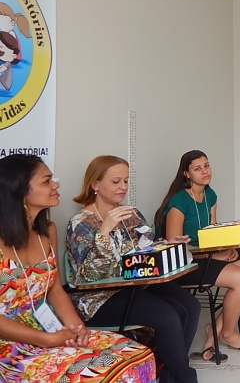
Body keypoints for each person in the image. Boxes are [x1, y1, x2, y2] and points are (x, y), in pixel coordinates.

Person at [0, 154, 157, 383]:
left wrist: (77, 328)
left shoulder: (47, 231)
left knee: (138, 355)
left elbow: (54, 290)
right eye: (46, 181)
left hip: (48, 328)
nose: (56, 185)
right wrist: (47, 340)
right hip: (9, 345)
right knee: (99, 374)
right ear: (19, 191)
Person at [65, 155, 201, 383]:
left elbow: (145, 249)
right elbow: (89, 275)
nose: (123, 187)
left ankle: (169, 373)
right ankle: (185, 378)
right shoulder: (81, 223)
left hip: (136, 283)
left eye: (126, 181)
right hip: (99, 297)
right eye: (116, 181)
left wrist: (167, 244)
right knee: (167, 316)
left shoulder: (131, 214)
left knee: (190, 306)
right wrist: (104, 231)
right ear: (95, 184)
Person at [154, 150, 240, 360]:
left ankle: (214, 332)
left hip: (207, 256)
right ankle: (229, 334)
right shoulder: (179, 202)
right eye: (197, 168)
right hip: (185, 264)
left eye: (207, 165)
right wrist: (212, 256)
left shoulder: (210, 195)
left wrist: (226, 249)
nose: (205, 171)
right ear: (186, 174)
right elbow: (173, 248)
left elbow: (213, 232)